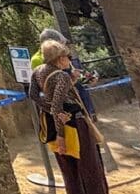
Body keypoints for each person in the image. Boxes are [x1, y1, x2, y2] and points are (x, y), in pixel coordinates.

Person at [28, 41, 109, 194]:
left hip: (54, 124)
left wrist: (49, 109)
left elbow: (33, 95)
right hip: (73, 124)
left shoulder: (37, 71)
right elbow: (58, 104)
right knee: (90, 168)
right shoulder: (61, 76)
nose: (69, 60)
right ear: (59, 58)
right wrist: (61, 136)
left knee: (69, 172)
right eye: (67, 56)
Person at [30, 28, 97, 117]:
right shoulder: (39, 60)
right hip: (63, 109)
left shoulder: (58, 63)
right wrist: (50, 109)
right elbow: (56, 88)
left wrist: (82, 78)